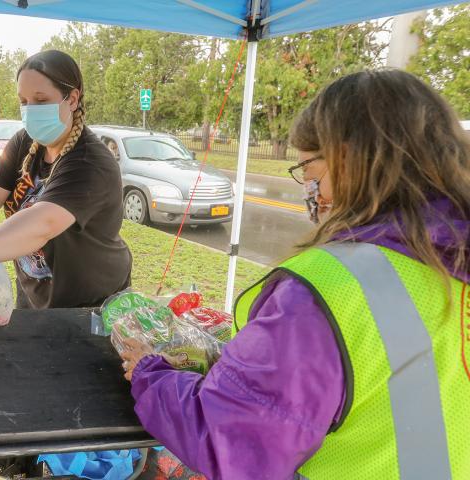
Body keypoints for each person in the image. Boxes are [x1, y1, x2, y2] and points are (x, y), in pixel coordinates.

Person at [119, 70, 470, 479]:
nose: (307, 185)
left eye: (307, 167)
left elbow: (228, 440)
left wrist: (151, 373)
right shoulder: (450, 256)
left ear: (345, 159)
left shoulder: (330, 289)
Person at [0, 50, 132, 309]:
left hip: (89, 306)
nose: (30, 110)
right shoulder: (25, 142)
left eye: (41, 101)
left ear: (72, 99)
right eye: (24, 101)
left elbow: (43, 223)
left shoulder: (90, 162)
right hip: (35, 295)